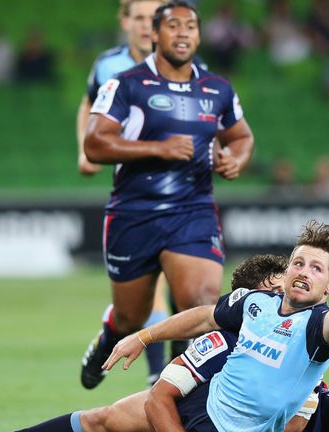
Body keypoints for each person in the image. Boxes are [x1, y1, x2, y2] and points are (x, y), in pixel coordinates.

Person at [0, 251, 329, 432]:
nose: (295, 280)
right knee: (104, 418)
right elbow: (163, 393)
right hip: (228, 413)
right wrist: (142, 335)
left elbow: (305, 398)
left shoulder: (311, 326)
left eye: (308, 270)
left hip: (305, 401)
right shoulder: (223, 340)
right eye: (288, 274)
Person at [80, 0, 254, 391]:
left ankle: (177, 390)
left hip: (192, 210)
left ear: (199, 35)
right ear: (155, 35)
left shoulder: (217, 88)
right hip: (134, 213)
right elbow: (94, 144)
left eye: (190, 27)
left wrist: (235, 159)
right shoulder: (125, 84)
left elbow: (241, 136)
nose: (182, 34)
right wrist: (157, 148)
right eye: (172, 26)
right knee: (131, 316)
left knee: (203, 302)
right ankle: (110, 334)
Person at [103, 220, 329, 432]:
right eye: (298, 263)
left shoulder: (318, 326)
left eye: (316, 269)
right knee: (106, 419)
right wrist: (142, 337)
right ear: (287, 269)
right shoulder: (255, 302)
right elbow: (204, 316)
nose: (304, 272)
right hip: (202, 412)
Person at [76, 0, 172, 389]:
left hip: (181, 190)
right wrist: (85, 148)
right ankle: (114, 335)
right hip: (133, 190)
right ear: (125, 22)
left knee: (181, 289)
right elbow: (88, 104)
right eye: (139, 18)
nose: (148, 26)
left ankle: (159, 378)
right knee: (144, 297)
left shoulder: (185, 63)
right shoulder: (109, 66)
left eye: (156, 18)